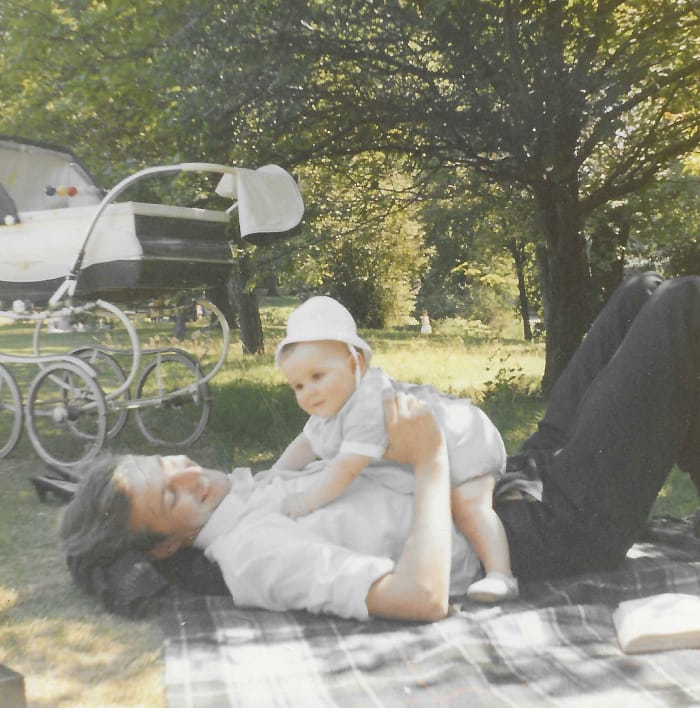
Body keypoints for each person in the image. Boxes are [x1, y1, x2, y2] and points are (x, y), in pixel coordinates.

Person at [60, 272, 700, 622]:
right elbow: (419, 599)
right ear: (167, 545)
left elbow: (322, 439)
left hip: (509, 477)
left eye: (168, 465)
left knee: (640, 292)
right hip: (548, 528)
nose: (188, 475)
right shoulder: (253, 555)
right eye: (170, 498)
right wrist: (429, 460)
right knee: (682, 308)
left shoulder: (241, 496)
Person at [269, 296, 516, 603]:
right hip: (423, 452)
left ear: (355, 364)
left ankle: (500, 574)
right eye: (298, 386)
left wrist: (308, 500)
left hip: (462, 441)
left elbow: (346, 468)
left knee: (468, 507)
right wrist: (275, 474)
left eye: (317, 376)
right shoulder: (331, 402)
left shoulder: (368, 402)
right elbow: (307, 442)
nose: (309, 392)